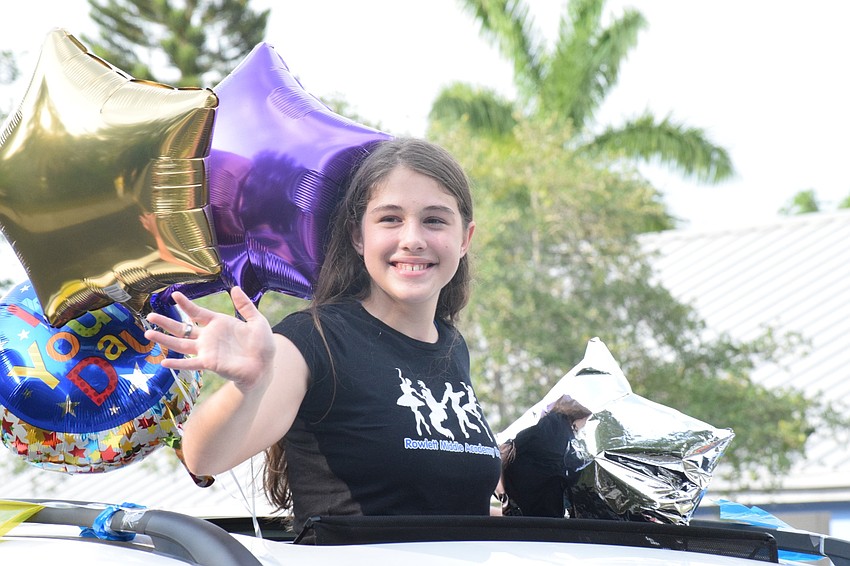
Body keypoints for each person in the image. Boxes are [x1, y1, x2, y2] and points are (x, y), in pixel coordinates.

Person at [144, 138, 502, 533]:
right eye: (390, 219)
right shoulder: (311, 340)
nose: (412, 239)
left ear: (465, 238)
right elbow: (201, 456)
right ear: (358, 236)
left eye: (434, 220)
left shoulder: (452, 346)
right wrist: (250, 385)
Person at [498, 395, 592, 518]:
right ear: (573, 418)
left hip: (519, 521)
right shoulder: (559, 431)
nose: (577, 434)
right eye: (575, 428)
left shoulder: (531, 434)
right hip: (548, 520)